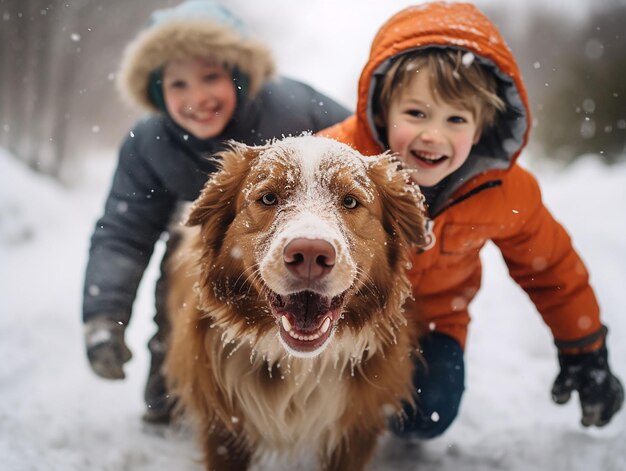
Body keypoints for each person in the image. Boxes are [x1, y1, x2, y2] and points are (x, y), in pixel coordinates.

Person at [322, 2, 623, 438]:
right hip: (338, 314)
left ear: (481, 129)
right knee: (321, 410)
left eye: (456, 119)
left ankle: (396, 419)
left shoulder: (503, 190)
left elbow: (550, 266)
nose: (433, 134)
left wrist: (585, 348)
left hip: (432, 320)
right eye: (417, 113)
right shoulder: (336, 160)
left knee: (429, 415)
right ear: (384, 110)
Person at [82, 0, 350, 424]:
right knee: (180, 264)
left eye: (211, 77)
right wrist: (104, 316)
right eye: (178, 85)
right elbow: (124, 232)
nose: (198, 97)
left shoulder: (293, 110)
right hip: (211, 241)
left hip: (305, 237)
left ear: (239, 76)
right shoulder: (150, 144)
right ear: (157, 92)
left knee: (316, 308)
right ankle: (170, 369)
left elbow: (366, 155)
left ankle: (334, 391)